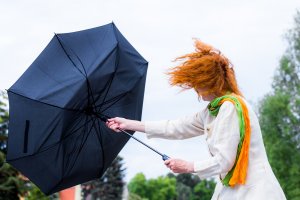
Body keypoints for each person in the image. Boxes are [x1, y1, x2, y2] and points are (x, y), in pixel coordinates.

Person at [106, 40, 286, 200]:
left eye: (197, 83)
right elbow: (176, 127)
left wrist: (188, 166)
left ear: (211, 81)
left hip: (254, 191)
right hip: (235, 189)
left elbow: (225, 161)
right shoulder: (213, 111)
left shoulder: (230, 107)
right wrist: (129, 124)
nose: (195, 89)